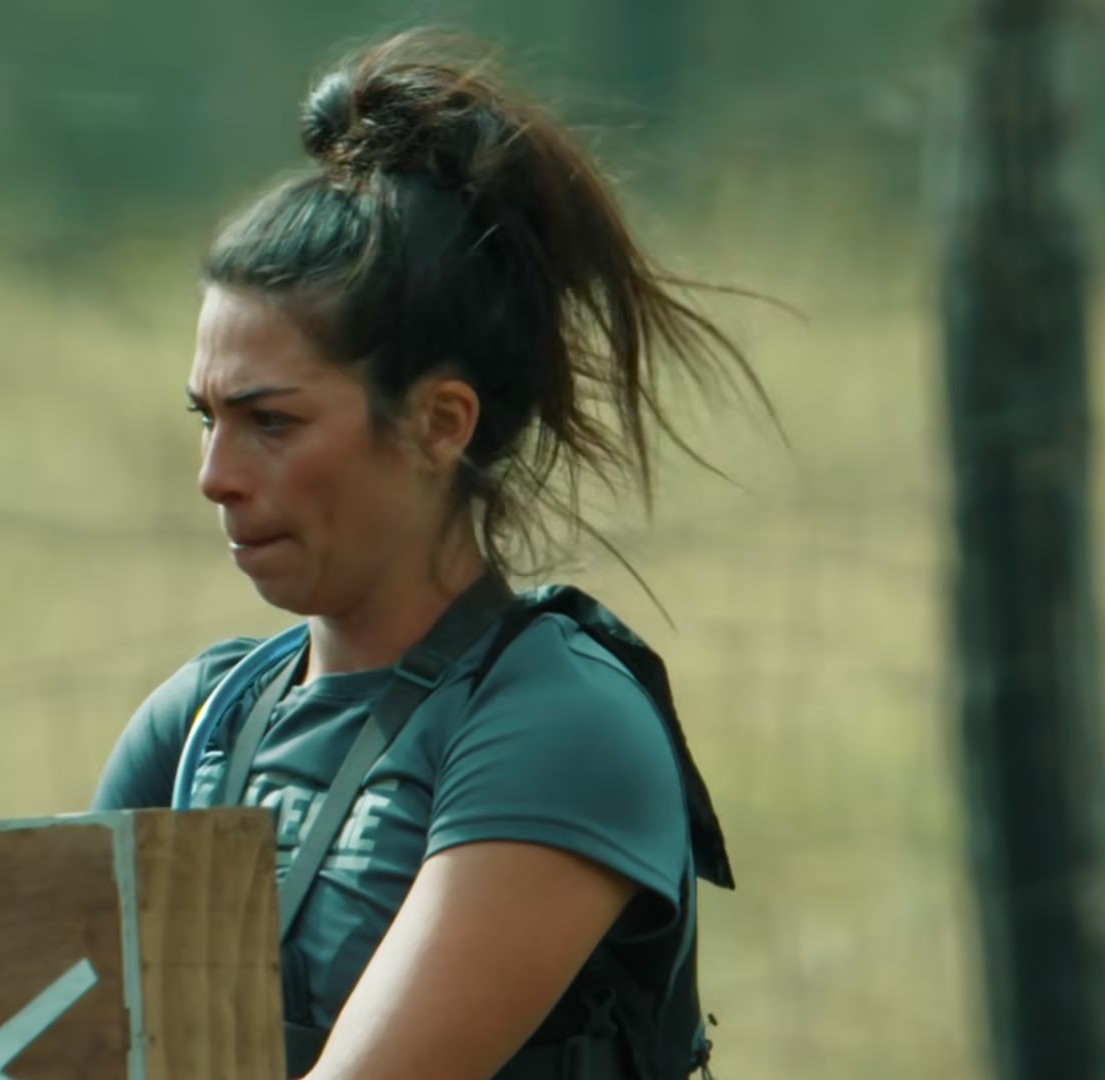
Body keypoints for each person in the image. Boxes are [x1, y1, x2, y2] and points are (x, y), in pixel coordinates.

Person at [91, 28, 760, 1080]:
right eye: (206, 419)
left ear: (440, 424)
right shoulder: (195, 728)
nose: (215, 475)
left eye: (271, 423)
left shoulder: (556, 723)